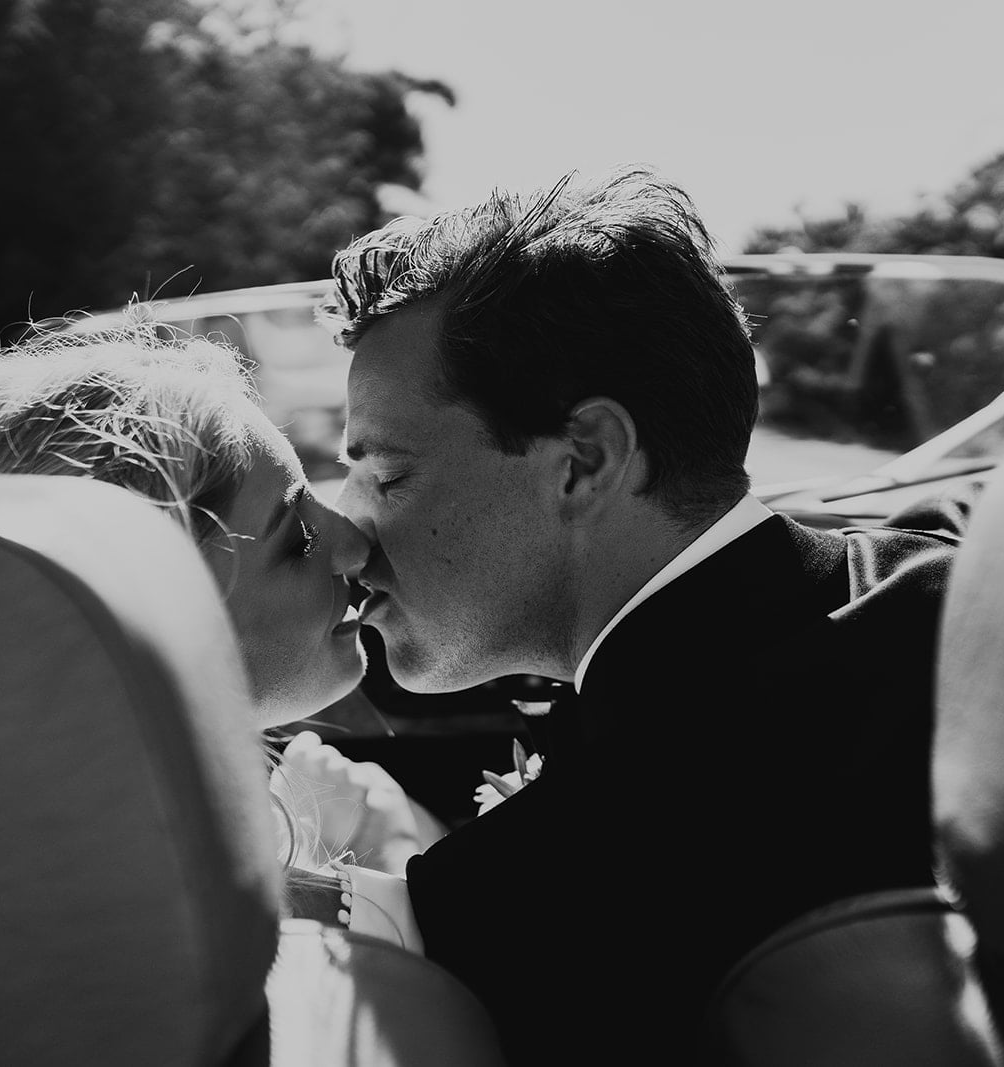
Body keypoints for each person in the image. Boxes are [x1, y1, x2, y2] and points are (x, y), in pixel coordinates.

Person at [322, 164, 962, 1064]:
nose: (347, 537)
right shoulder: (957, 586)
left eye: (387, 474)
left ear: (585, 458)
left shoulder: (544, 897)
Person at [0, 314, 436, 946]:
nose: (353, 543)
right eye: (296, 539)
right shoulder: (314, 936)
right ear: (148, 615)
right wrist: (388, 845)